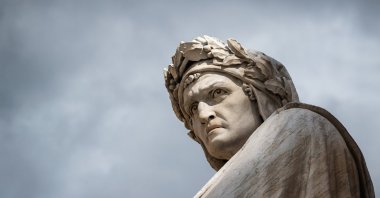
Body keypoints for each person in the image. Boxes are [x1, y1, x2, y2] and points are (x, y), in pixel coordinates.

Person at [164, 35, 374, 197]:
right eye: (192, 108)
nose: (203, 114)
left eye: (218, 93)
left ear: (255, 94)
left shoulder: (300, 126)